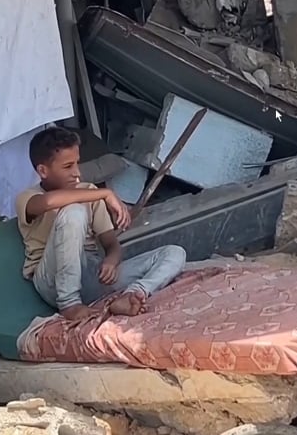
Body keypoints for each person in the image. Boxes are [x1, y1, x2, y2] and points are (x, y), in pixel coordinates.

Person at [15, 127, 186, 321]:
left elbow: (112, 245)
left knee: (174, 253)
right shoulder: (27, 197)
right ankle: (69, 304)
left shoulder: (88, 191)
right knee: (74, 211)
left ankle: (132, 295)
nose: (77, 173)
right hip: (52, 281)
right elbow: (47, 202)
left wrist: (111, 261)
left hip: (92, 275)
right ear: (43, 171)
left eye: (77, 163)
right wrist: (106, 193)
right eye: (68, 166)